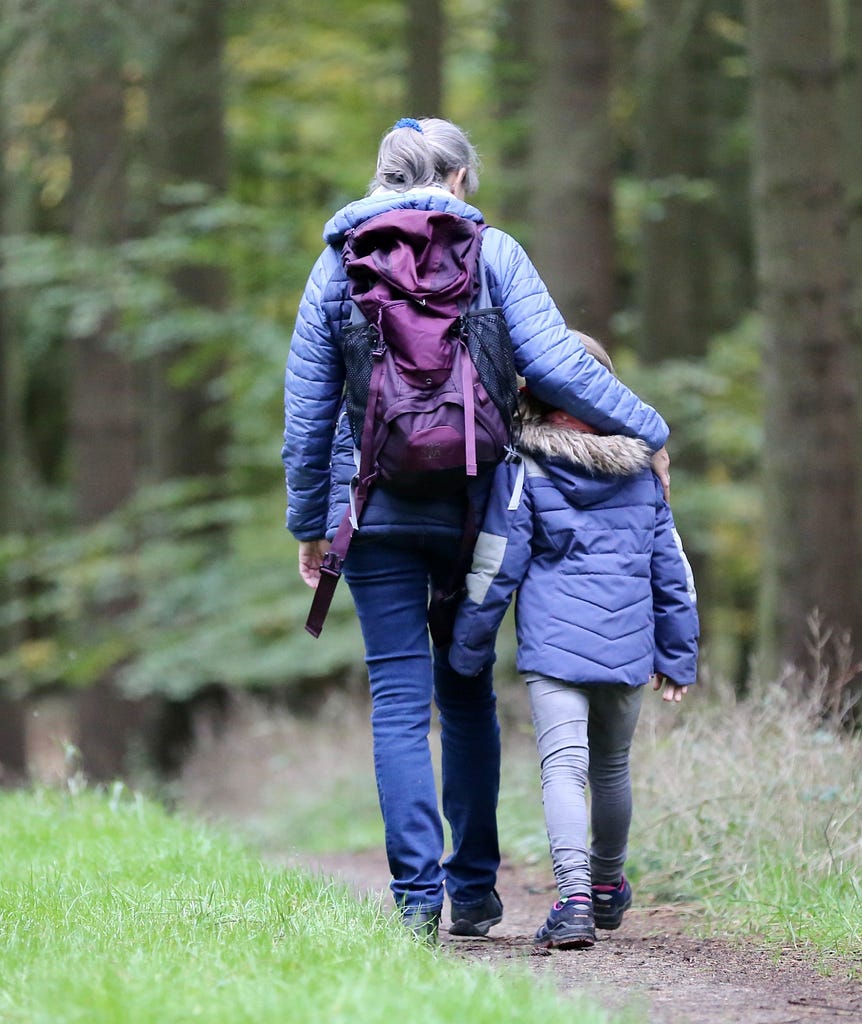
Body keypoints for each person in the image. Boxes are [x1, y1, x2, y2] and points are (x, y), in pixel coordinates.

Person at [282, 118, 673, 941]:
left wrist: (311, 524)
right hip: (478, 508)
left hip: (375, 508)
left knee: (397, 699)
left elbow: (309, 410)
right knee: (465, 692)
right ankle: (476, 892)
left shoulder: (336, 264)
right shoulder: (495, 254)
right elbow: (562, 365)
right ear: (459, 178)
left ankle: (417, 902)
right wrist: (650, 431)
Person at [448, 332, 699, 949]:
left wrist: (468, 646)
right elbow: (673, 569)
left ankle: (575, 900)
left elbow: (496, 562)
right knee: (612, 767)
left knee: (564, 769)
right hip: (629, 643)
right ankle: (609, 887)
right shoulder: (643, 470)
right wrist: (678, 653)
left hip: (556, 650)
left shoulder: (525, 466)